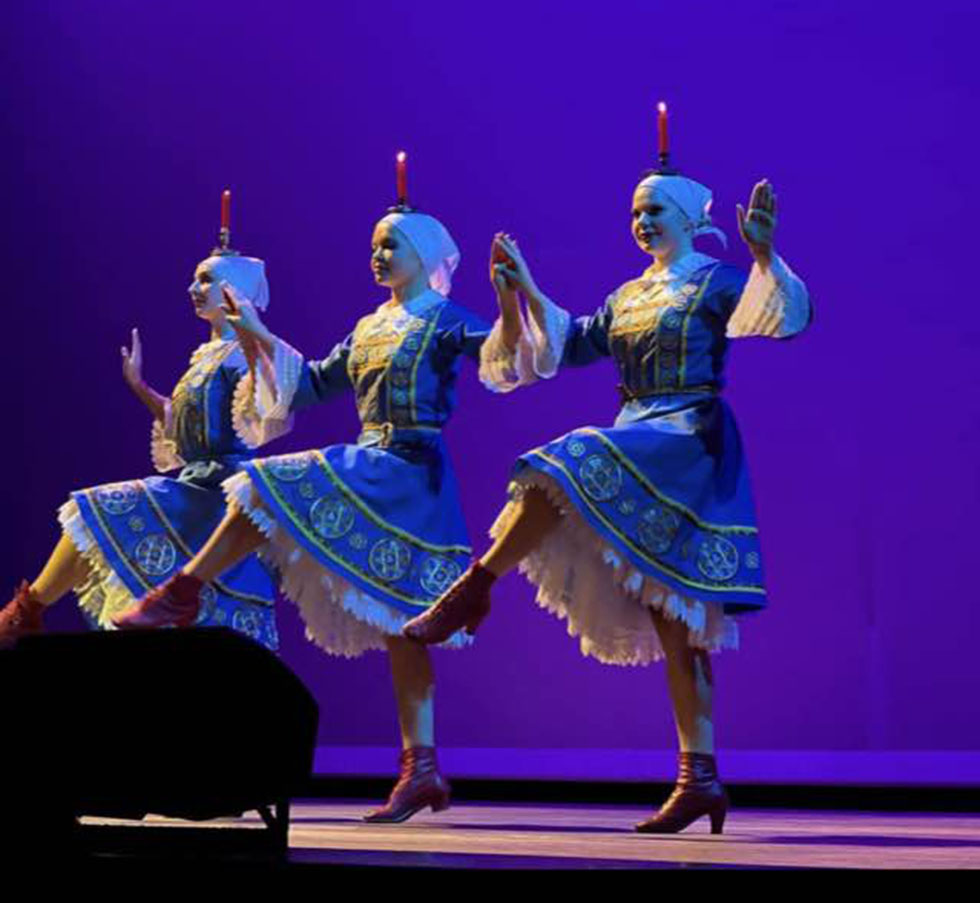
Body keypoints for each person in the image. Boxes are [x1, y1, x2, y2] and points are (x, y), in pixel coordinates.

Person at [404, 172, 812, 834]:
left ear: (685, 218)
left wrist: (763, 254)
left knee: (565, 466)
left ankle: (477, 584)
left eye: (655, 210)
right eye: (635, 212)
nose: (643, 221)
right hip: (641, 436)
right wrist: (523, 289)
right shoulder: (628, 296)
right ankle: (699, 778)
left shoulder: (712, 280)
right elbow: (570, 344)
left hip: (687, 440)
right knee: (672, 614)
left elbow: (779, 319)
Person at [117, 205, 490, 824]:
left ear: (423, 256)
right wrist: (256, 333)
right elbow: (312, 384)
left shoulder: (444, 318)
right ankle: (419, 768)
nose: (377, 256)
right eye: (373, 245)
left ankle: (184, 588)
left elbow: (504, 349)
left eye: (390, 245)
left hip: (412, 470)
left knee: (403, 617)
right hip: (376, 465)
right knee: (390, 612)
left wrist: (518, 298)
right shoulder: (371, 327)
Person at [0, 214, 282, 651]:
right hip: (192, 484)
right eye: (194, 280)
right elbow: (183, 425)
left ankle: (25, 613)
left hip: (218, 494)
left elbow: (265, 412)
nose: (193, 289)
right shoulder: (207, 356)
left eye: (205, 280)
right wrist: (140, 387)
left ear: (233, 291)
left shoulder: (239, 355)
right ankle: (27, 611)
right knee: (92, 519)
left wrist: (253, 340)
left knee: (91, 512)